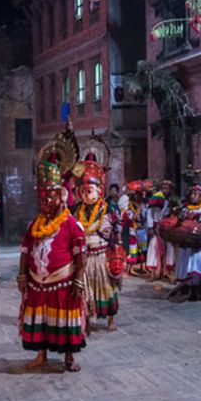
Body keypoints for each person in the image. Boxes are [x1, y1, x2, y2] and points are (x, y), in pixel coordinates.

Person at [17, 126, 87, 372]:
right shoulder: (34, 224)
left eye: (49, 198)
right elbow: (26, 250)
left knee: (66, 321)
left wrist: (79, 278)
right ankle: (41, 355)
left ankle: (68, 358)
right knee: (41, 322)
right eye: (41, 199)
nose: (44, 203)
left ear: (61, 196)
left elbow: (80, 254)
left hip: (63, 282)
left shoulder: (71, 224)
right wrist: (22, 274)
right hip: (38, 284)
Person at [74, 136, 119, 331]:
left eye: (90, 190)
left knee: (105, 288)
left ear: (100, 191)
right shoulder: (77, 210)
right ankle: (87, 319)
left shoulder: (107, 210)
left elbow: (113, 235)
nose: (86, 195)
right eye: (83, 191)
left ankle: (110, 320)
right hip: (85, 258)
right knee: (85, 290)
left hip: (101, 257)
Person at [145, 180, 176, 281]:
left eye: (167, 189)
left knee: (169, 247)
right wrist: (151, 227)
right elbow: (150, 213)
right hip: (156, 226)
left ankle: (167, 270)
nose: (165, 190)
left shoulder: (169, 201)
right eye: (163, 188)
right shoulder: (156, 199)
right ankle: (153, 272)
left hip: (166, 227)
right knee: (154, 247)